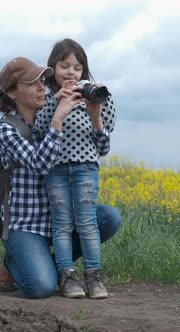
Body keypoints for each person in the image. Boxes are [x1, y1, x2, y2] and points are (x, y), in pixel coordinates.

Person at [0, 56, 121, 299]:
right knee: (40, 287)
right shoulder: (7, 129)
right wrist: (58, 119)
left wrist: (95, 117)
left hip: (59, 218)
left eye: (42, 80)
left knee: (109, 218)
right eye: (31, 84)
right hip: (26, 225)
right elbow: (41, 164)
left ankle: (59, 269)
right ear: (12, 92)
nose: (41, 86)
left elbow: (98, 149)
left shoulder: (52, 107)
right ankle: (14, 260)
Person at [34, 38, 116, 299]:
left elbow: (103, 147)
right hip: (56, 170)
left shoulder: (99, 97)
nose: (70, 72)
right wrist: (57, 102)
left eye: (77, 68)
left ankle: (94, 278)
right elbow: (38, 130)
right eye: (64, 66)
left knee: (87, 223)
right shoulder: (46, 98)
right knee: (62, 225)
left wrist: (95, 114)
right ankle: (67, 277)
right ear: (53, 68)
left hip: (86, 168)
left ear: (84, 71)